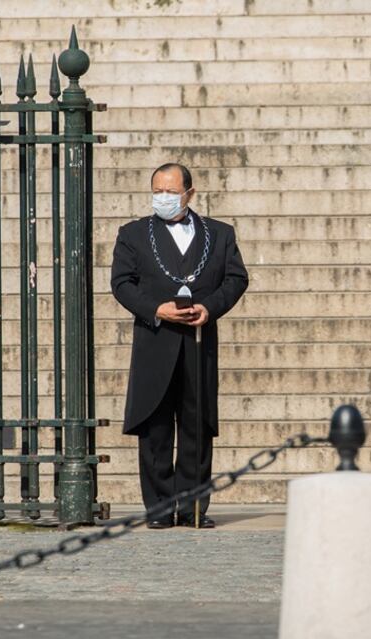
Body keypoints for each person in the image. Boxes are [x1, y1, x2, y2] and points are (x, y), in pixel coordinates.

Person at [110, 163, 249, 529]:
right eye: (158, 190)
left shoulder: (219, 234)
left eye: (171, 192)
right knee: (155, 429)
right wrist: (156, 309)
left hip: (198, 344)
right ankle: (158, 509)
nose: (164, 198)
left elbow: (236, 278)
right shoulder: (133, 234)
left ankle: (193, 509)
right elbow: (122, 282)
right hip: (155, 343)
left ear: (189, 193)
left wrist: (211, 307)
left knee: (196, 428)